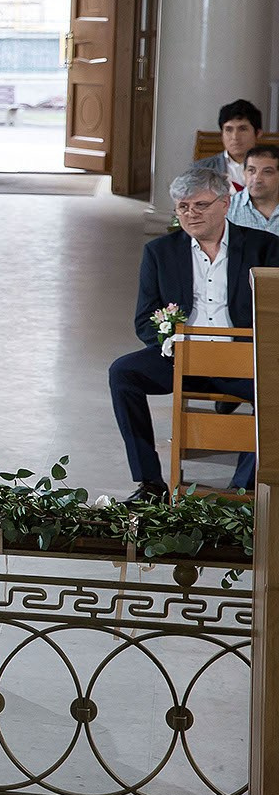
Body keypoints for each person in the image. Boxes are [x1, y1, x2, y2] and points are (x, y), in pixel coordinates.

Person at [110, 167, 279, 499]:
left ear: (225, 203)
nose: (191, 214)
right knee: (123, 373)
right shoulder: (160, 252)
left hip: (244, 359)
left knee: (275, 388)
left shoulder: (265, 247)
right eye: (183, 207)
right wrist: (169, 342)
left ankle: (244, 487)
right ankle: (149, 482)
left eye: (200, 205)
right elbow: (145, 319)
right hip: (183, 358)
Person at [197, 99, 263, 192]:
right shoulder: (201, 169)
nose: (235, 137)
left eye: (242, 129)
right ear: (221, 134)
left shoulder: (274, 167)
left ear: (258, 133)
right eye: (228, 129)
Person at [228, 144, 279, 234]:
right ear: (244, 173)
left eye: (267, 172)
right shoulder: (228, 208)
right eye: (251, 170)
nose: (257, 179)